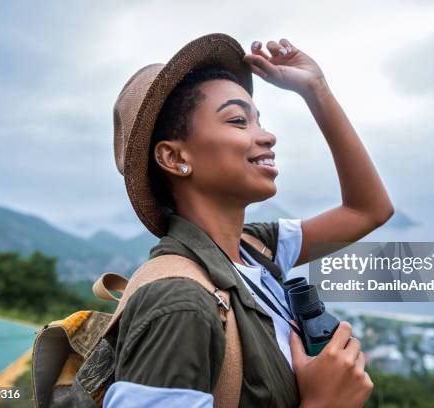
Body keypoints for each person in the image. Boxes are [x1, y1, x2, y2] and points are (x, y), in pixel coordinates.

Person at [104, 33, 393, 408]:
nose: (267, 136)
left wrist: (315, 90)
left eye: (260, 120)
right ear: (174, 158)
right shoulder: (179, 302)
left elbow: (367, 210)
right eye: (238, 120)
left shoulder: (252, 249)